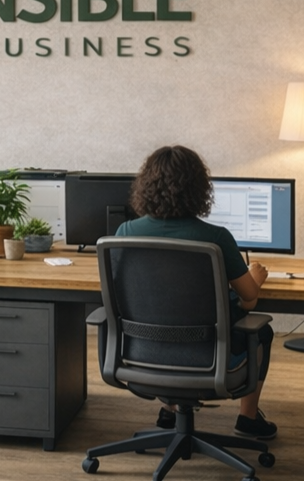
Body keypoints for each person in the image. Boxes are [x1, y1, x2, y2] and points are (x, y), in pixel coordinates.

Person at [115, 145, 277, 440]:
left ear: (146, 186)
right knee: (260, 332)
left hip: (142, 355)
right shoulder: (215, 238)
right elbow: (249, 299)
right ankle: (248, 418)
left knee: (164, 320)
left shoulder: (125, 232)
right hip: (206, 358)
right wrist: (254, 276)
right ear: (200, 189)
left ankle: (170, 408)